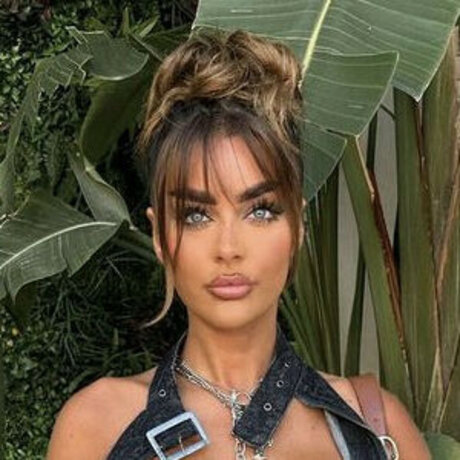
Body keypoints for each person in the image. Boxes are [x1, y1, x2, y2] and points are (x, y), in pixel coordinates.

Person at [47, 29, 430, 459]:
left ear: (297, 227)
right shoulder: (97, 425)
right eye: (196, 215)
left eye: (260, 211)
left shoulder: (375, 429)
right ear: (159, 236)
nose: (228, 248)